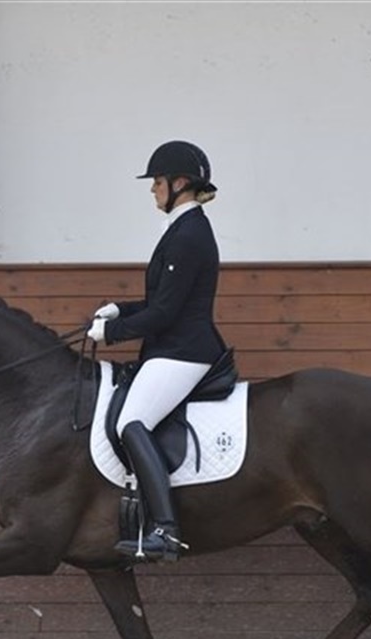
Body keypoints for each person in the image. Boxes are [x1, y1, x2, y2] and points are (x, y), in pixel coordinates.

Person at [87, 140, 228, 562]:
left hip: (184, 350)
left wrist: (112, 332)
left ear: (179, 183)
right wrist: (121, 308)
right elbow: (162, 300)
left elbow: (166, 313)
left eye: (158, 182)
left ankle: (165, 529)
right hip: (173, 345)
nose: (153, 189)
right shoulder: (183, 229)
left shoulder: (189, 234)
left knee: (131, 422)